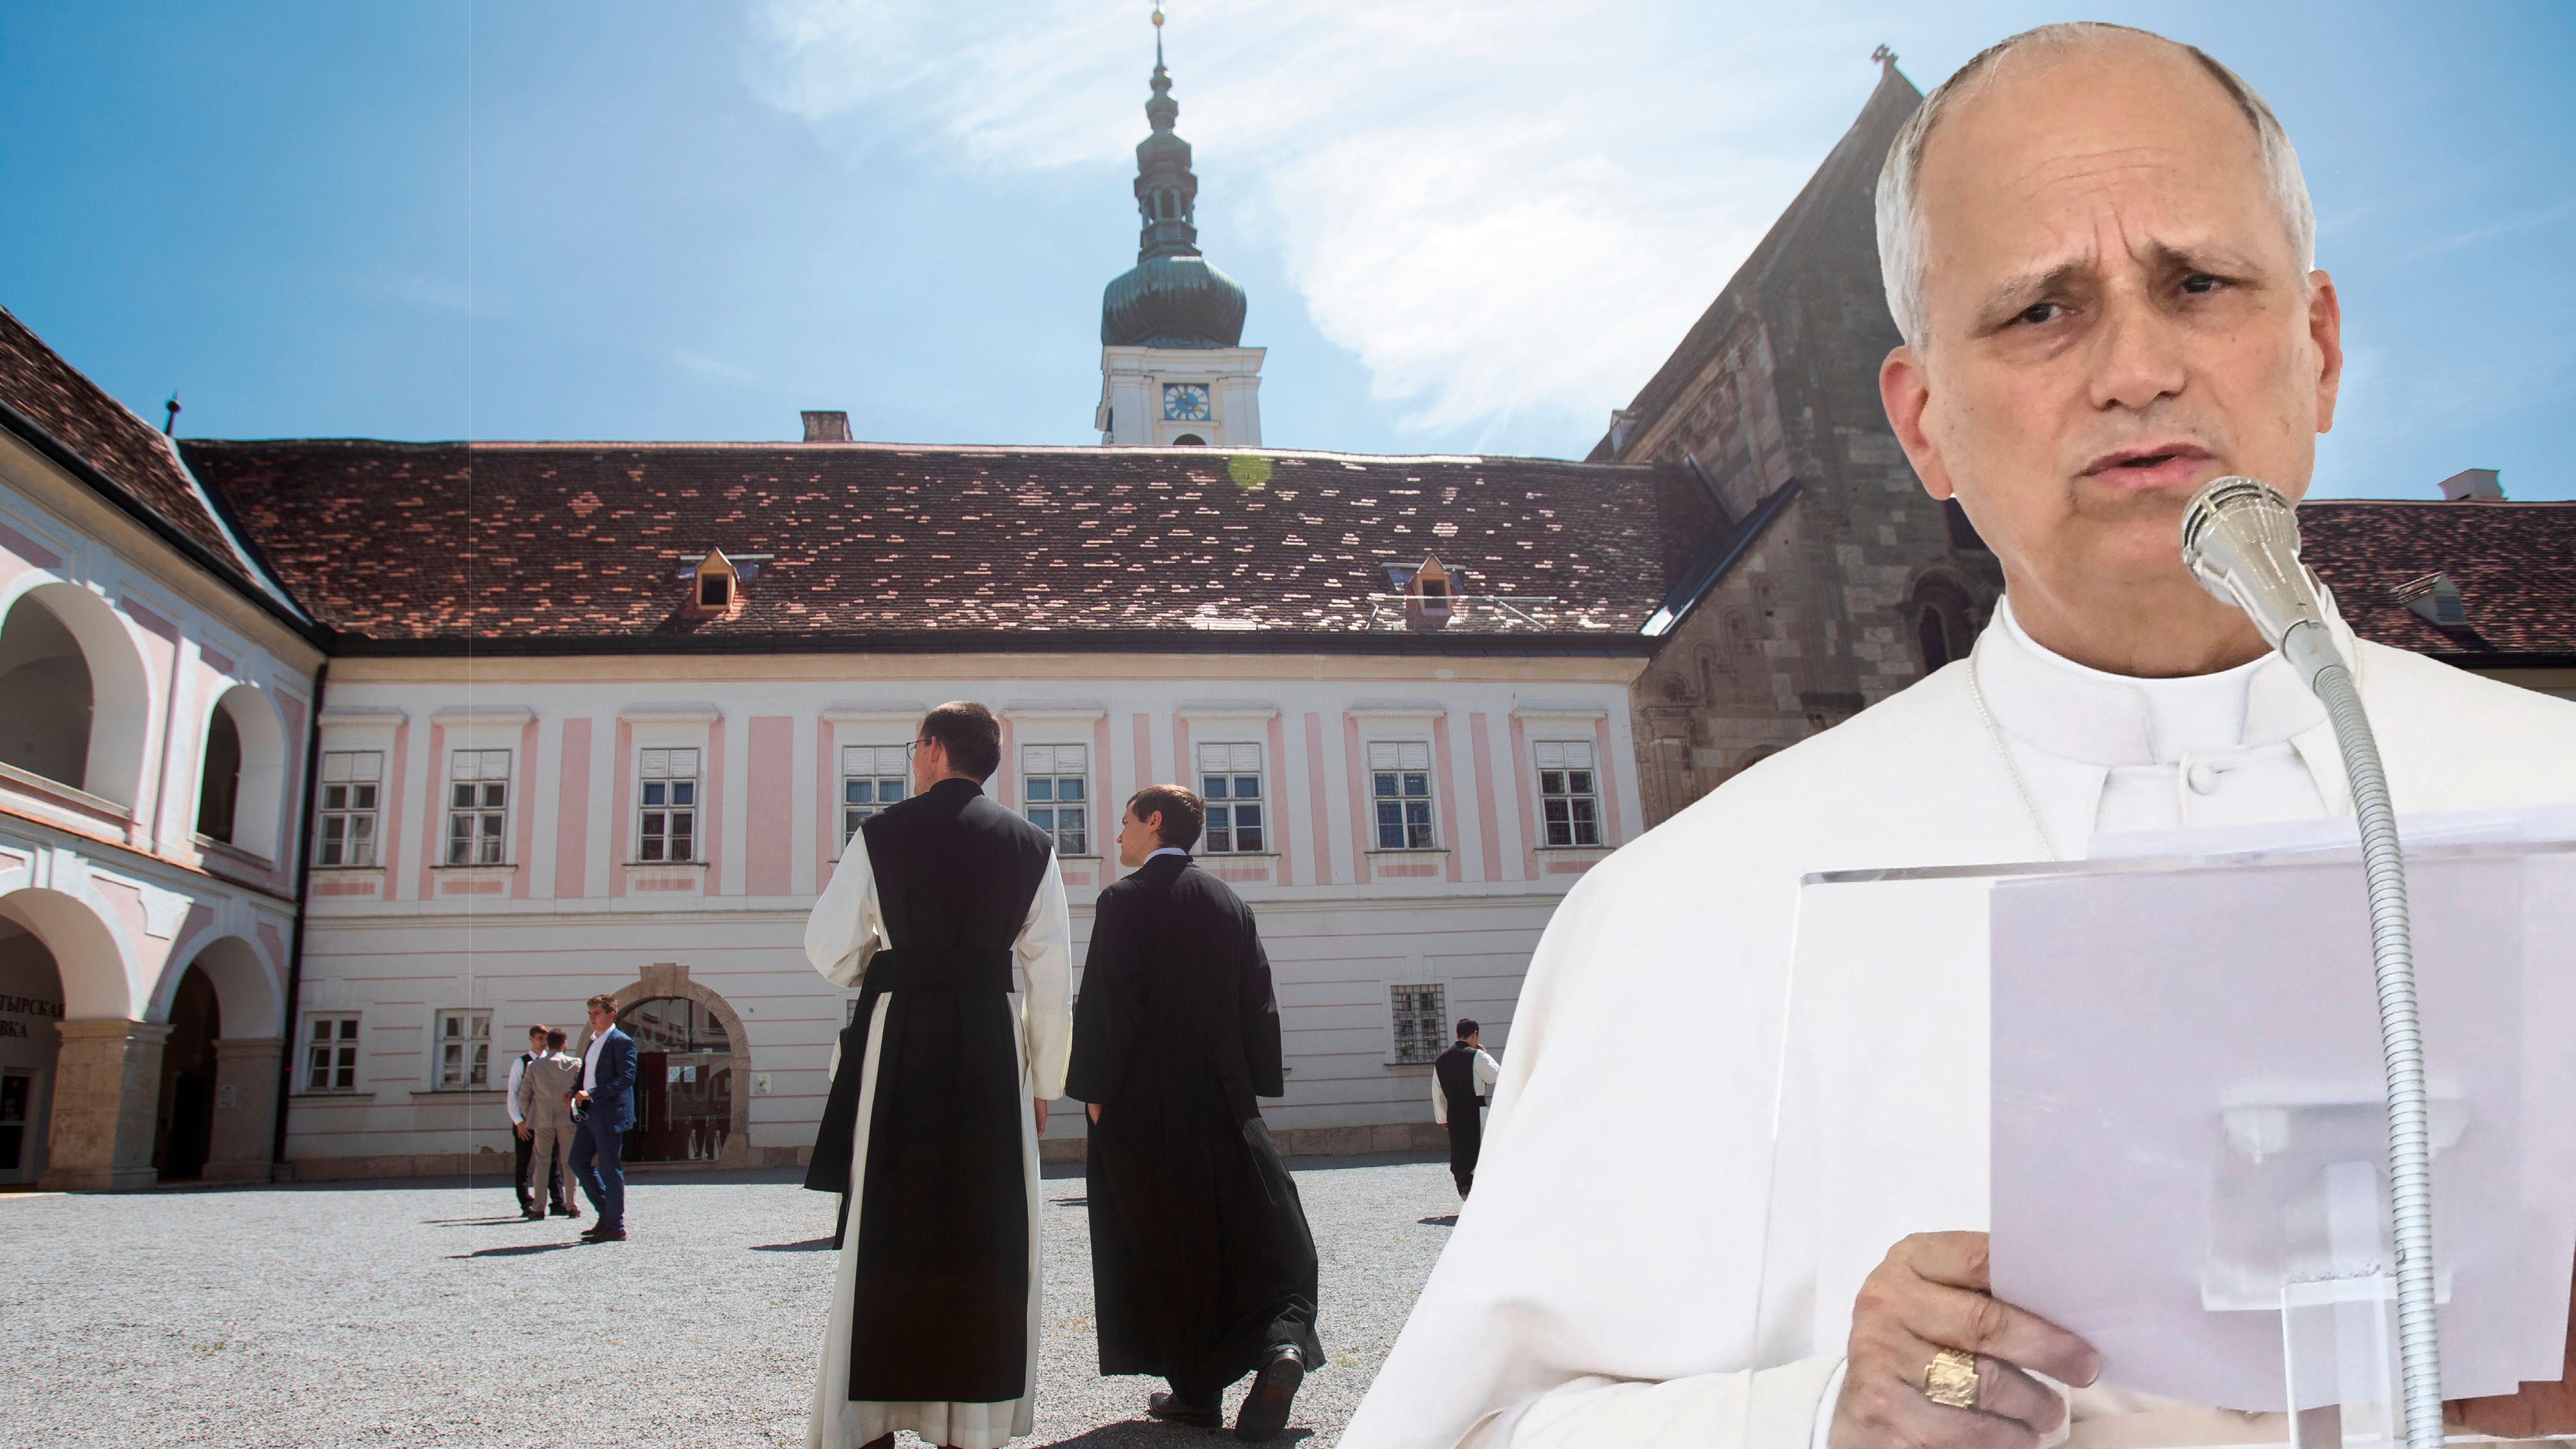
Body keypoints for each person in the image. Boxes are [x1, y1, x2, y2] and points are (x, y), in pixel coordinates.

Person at [1342, 22, 2576, 1449]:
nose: (2134, 366)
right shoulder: (1692, 913)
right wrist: (1814, 1419)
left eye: (2196, 282)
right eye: (2039, 311)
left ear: (2314, 347)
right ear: (1921, 420)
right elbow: (1482, 1425)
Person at [800, 701, 1073, 1449]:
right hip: (991, 1036)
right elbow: (1050, 974)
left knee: (889, 1214)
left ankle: (869, 1420)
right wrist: (1044, 1082)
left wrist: (887, 962)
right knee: (988, 1222)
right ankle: (972, 1423)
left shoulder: (880, 833)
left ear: (929, 750)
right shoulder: (1033, 845)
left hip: (902, 1034)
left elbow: (828, 951)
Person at [1066, 784, 1323, 1442]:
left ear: (1154, 823)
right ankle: (1278, 1346)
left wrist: (1094, 1089)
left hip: (1144, 1105)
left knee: (1165, 1245)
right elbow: (1257, 1000)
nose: (1116, 835)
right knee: (1259, 1237)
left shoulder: (1124, 901)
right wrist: (1251, 1086)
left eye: (1124, 822)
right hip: (1227, 1104)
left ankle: (1197, 1392)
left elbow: (1107, 1000)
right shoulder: (1230, 903)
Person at [568, 994, 635, 1244]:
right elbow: (586, 1073)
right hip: (589, 1110)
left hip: (609, 1112)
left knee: (609, 1168)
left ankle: (615, 1225)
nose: (592, 1018)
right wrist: (574, 1090)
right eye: (590, 1014)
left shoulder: (621, 1042)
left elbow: (626, 1078)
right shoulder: (593, 1040)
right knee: (577, 1161)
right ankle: (606, 1215)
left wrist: (593, 1093)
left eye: (596, 1013)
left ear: (611, 1015)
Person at [517, 1027, 583, 1223]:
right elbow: (582, 1089)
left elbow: (523, 1096)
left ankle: (538, 1207)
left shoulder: (534, 1067)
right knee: (569, 1163)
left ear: (548, 1043)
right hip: (567, 1117)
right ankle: (571, 1205)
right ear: (565, 1043)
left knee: (542, 1163)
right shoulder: (574, 1064)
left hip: (542, 1118)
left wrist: (531, 1116)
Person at [1430, 1019, 1499, 1200]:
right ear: (1475, 1034)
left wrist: (1442, 1118)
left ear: (1457, 1034)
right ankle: (1477, 1189)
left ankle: (1464, 1186)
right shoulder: (1476, 1055)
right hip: (1476, 1110)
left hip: (1454, 1113)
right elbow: (1495, 1075)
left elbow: (1437, 1092)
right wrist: (1485, 1054)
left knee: (1461, 1151)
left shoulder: (1441, 1060)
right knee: (1481, 1150)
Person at [505, 1025, 549, 1217]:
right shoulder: (521, 1063)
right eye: (539, 1038)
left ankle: (553, 1200)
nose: (543, 1042)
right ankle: (525, 1202)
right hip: (525, 1121)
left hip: (546, 1121)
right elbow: (513, 1094)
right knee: (523, 1163)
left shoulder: (550, 1061)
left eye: (546, 1038)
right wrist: (518, 1121)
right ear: (531, 1039)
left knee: (550, 1162)